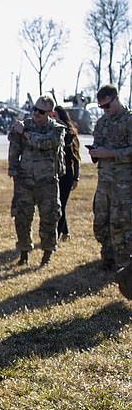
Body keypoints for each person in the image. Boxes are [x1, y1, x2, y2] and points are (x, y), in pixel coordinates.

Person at [7, 94, 64, 266]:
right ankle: (24, 253)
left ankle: (47, 254)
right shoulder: (24, 125)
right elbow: (14, 148)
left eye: (41, 112)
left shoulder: (57, 130)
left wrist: (24, 132)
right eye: (35, 110)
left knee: (49, 218)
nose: (36, 114)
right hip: (25, 181)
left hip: (47, 182)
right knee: (22, 218)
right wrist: (13, 169)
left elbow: (45, 143)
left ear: (50, 113)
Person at [88, 84, 132, 273]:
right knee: (101, 220)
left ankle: (123, 263)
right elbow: (99, 144)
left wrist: (111, 153)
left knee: (120, 221)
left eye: (107, 106)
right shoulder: (102, 123)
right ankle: (107, 256)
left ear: (116, 98)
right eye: (101, 107)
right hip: (104, 180)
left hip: (123, 182)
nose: (105, 111)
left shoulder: (129, 120)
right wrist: (96, 153)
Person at [52, 105, 81, 241]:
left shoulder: (70, 133)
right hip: (55, 173)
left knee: (61, 205)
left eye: (56, 116)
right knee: (56, 204)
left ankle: (57, 236)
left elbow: (76, 158)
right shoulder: (50, 131)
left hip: (67, 174)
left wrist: (76, 178)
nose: (53, 118)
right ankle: (65, 233)